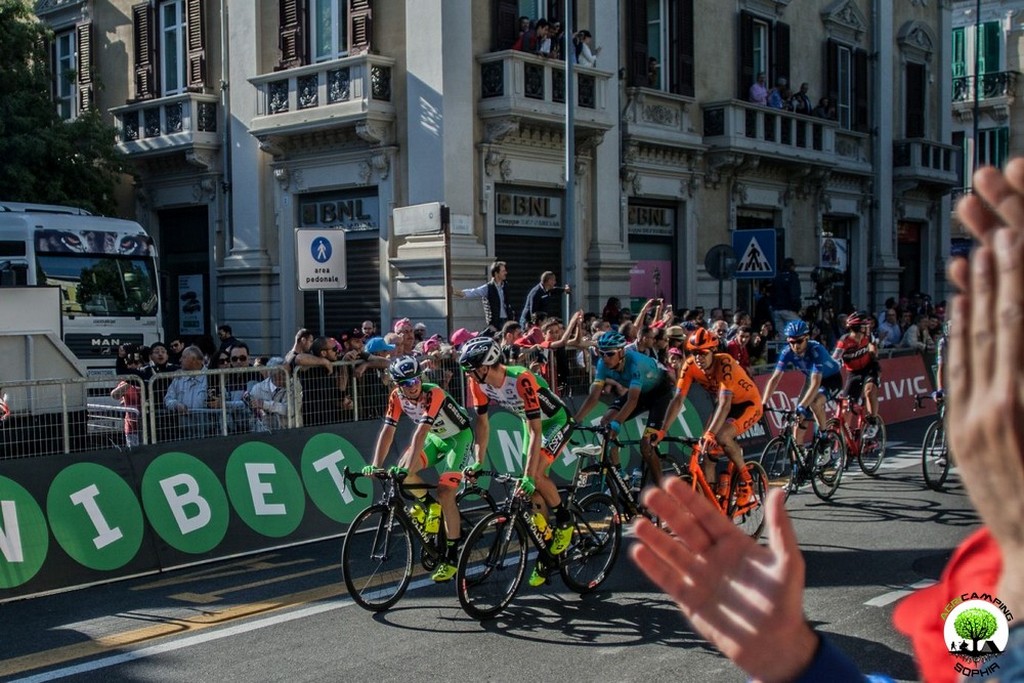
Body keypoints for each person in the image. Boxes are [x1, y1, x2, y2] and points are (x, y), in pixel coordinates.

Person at [629, 160, 1024, 683]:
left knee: (820, 405)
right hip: (774, 392)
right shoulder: (979, 590)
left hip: (836, 379)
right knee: (793, 416)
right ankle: (797, 451)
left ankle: (847, 436)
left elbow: (798, 385)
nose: (790, 346)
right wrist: (795, 658)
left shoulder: (815, 351)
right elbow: (762, 386)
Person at [458, 336, 575, 588]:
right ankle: (547, 551)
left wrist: (530, 476)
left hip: (555, 422)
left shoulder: (520, 377)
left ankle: (565, 521)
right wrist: (478, 460)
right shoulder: (476, 382)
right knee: (528, 492)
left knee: (537, 475)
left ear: (488, 364)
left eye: (473, 368)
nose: (469, 374)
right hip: (528, 423)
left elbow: (536, 430)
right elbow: (482, 422)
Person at [363, 356, 475, 582]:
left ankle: (452, 558)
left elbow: (420, 433)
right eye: (405, 383)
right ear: (397, 385)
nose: (413, 386)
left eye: (415, 380)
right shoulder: (396, 397)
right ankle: (430, 506)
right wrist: (376, 465)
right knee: (401, 472)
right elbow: (388, 431)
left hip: (458, 438)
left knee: (445, 492)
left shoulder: (434, 393)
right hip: (436, 437)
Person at [661, 328, 763, 502]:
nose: (698, 357)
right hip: (724, 405)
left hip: (747, 405)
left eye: (703, 353)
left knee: (722, 436)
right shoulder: (690, 365)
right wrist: (663, 430)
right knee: (705, 452)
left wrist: (711, 433)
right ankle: (714, 500)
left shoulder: (725, 363)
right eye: (694, 353)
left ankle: (747, 480)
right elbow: (678, 400)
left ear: (713, 351)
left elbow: (725, 405)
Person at [572, 330, 675, 486]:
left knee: (646, 445)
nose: (605, 358)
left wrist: (617, 423)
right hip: (640, 392)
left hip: (659, 393)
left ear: (621, 352)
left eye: (610, 354)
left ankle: (662, 486)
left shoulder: (634, 364)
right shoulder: (602, 364)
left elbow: (632, 401)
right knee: (606, 421)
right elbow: (594, 397)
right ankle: (620, 474)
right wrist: (575, 420)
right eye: (602, 353)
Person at [760, 319, 843, 454]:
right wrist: (763, 403)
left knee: (815, 404)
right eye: (791, 342)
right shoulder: (787, 352)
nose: (795, 346)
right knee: (798, 421)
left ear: (807, 338)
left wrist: (802, 406)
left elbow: (816, 384)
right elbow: (775, 379)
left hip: (830, 379)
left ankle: (824, 437)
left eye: (799, 341)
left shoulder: (816, 350)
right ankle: (800, 459)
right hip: (811, 379)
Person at [831, 311, 881, 437]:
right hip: (853, 373)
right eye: (865, 326)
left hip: (869, 368)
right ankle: (845, 439)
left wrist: (874, 355)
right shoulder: (844, 342)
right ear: (859, 328)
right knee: (846, 407)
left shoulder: (868, 337)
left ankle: (873, 422)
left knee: (869, 391)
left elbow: (874, 345)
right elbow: (834, 360)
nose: (868, 328)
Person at [453, 260, 516, 334]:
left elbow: (508, 304)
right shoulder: (488, 288)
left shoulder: (505, 286)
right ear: (496, 273)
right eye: (503, 271)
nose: (506, 273)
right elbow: (473, 292)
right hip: (495, 324)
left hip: (507, 322)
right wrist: (457, 292)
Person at [770, 257, 802, 334]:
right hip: (788, 309)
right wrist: (797, 308)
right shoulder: (793, 278)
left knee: (782, 335)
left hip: (777, 310)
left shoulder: (776, 277)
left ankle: (784, 345)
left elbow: (772, 294)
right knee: (801, 329)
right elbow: (795, 295)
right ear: (792, 267)